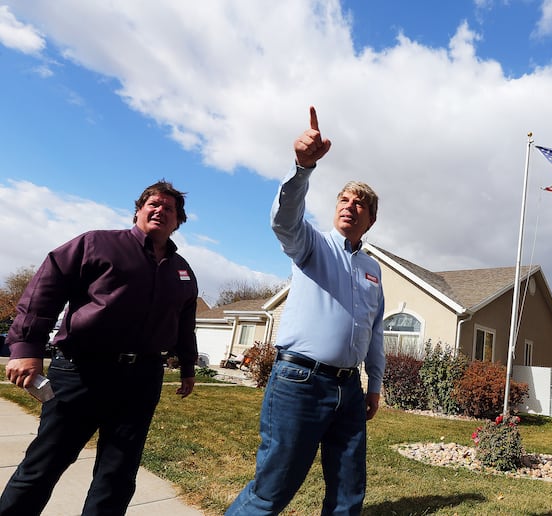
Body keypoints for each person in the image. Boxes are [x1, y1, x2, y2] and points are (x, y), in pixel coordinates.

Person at [0, 180, 199, 516]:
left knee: (118, 473)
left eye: (170, 208)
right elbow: (44, 290)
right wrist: (26, 347)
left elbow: (184, 325)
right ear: (138, 210)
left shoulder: (183, 272)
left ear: (179, 220)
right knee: (43, 465)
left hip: (142, 379)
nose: (160, 210)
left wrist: (189, 367)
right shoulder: (97, 244)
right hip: (82, 371)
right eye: (153, 204)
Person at [226, 107, 385, 516]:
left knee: (349, 492)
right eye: (344, 200)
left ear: (370, 220)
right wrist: (302, 167)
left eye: (360, 204)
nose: (350, 206)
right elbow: (284, 221)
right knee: (273, 489)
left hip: (348, 390)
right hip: (300, 380)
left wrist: (373, 385)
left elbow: (375, 331)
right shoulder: (312, 245)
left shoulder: (372, 270)